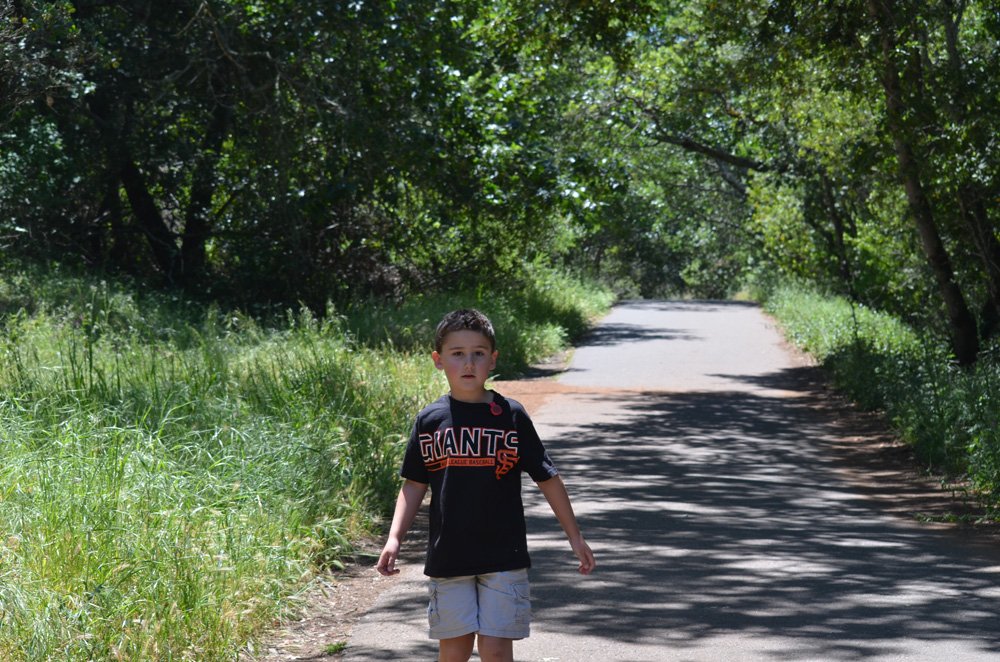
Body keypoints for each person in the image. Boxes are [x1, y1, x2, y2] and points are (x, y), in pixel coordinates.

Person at [376, 308, 596, 662]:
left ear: (492, 359)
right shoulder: (430, 420)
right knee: (455, 649)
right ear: (438, 360)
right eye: (457, 353)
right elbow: (414, 484)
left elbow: (547, 477)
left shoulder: (511, 415)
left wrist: (575, 536)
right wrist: (394, 538)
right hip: (449, 555)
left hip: (503, 554)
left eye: (478, 353)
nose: (469, 363)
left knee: (495, 651)